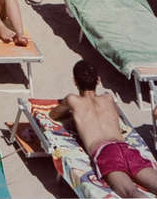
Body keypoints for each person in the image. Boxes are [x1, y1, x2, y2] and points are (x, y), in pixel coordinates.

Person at [51, 60, 157, 196]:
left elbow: (53, 114)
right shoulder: (108, 98)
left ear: (75, 81)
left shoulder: (72, 100)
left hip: (105, 152)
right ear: (98, 80)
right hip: (126, 148)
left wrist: (72, 115)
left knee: (130, 192)